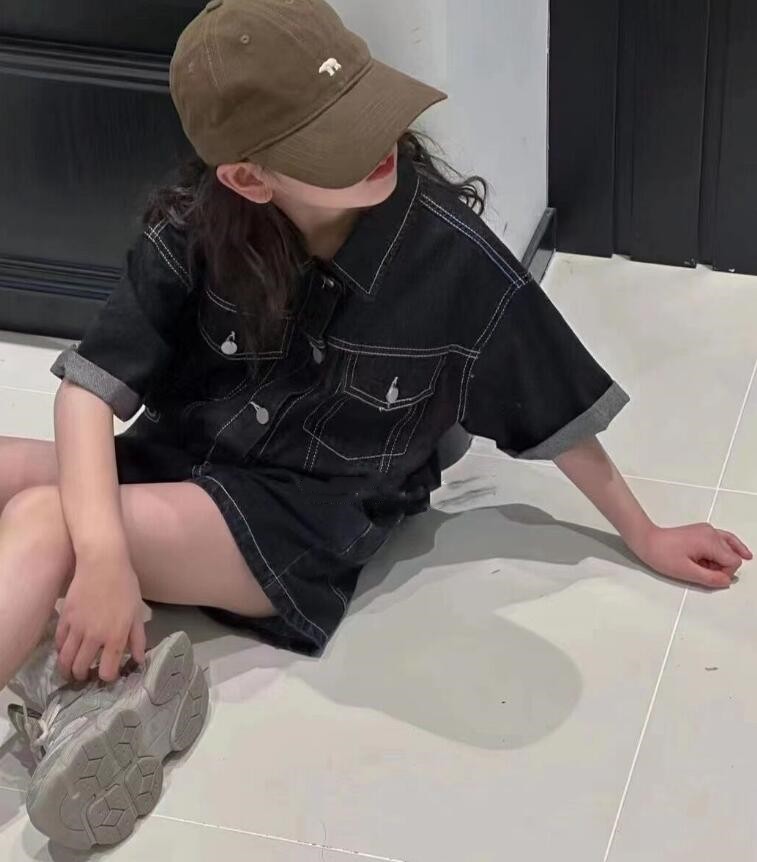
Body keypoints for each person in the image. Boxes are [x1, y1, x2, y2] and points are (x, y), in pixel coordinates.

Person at [0, 0, 751, 850]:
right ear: (248, 179)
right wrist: (106, 559)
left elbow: (550, 400)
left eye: (366, 110)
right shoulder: (197, 226)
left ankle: (69, 647)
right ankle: (81, 676)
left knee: (48, 518)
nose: (375, 145)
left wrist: (644, 533)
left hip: (298, 523)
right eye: (333, 143)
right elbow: (87, 392)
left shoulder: (447, 255)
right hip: (188, 459)